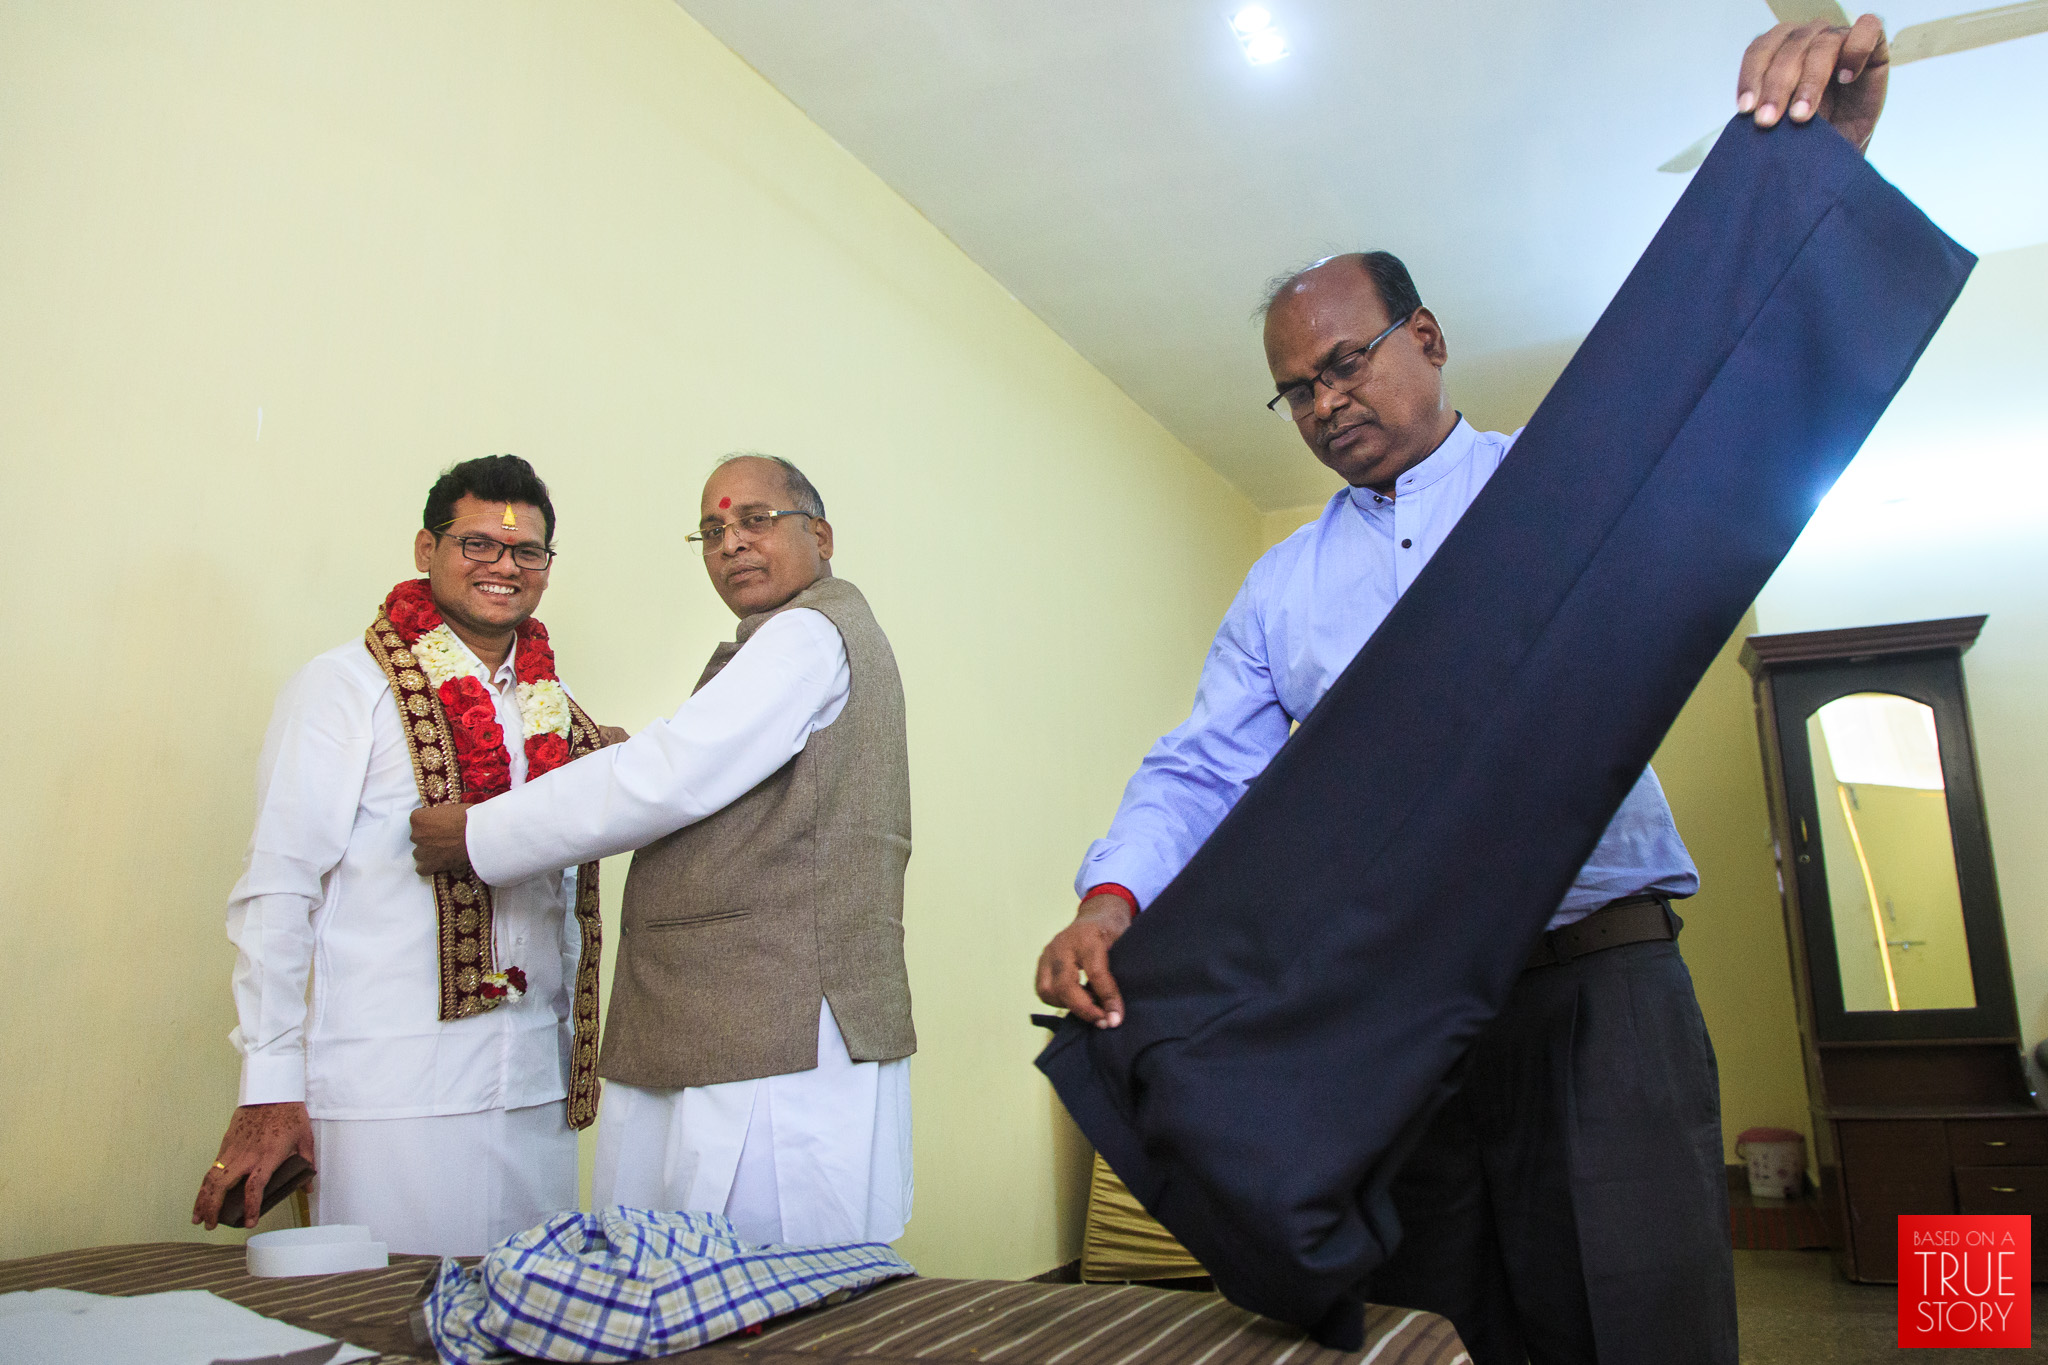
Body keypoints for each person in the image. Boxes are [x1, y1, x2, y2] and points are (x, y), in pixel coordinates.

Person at [1034, 18, 1893, 1365]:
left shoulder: (1561, 486)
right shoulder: (1280, 591)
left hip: (1599, 987)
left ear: (1425, 338)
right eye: (1294, 392)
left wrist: (1823, 168)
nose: (1324, 403)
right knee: (1436, 1326)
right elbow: (1201, 768)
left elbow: (1730, 394)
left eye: (1345, 362)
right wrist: (1110, 898)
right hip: (1401, 1022)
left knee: (1642, 1316)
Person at [409, 453, 915, 1249]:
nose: (731, 542)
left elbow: (671, 775)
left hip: (766, 1026)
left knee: (743, 1277)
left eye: (755, 520)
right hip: (761, 1020)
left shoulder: (807, 634)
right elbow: (698, 765)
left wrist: (477, 834)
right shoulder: (809, 635)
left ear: (819, 536)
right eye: (712, 530)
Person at [193, 454, 614, 1255]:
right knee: (381, 1311)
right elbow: (278, 889)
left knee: (532, 1307)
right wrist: (270, 1084)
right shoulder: (342, 688)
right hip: (389, 1095)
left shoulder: (557, 712)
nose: (503, 565)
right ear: (427, 549)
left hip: (532, 1092)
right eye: (478, 543)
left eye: (526, 551)